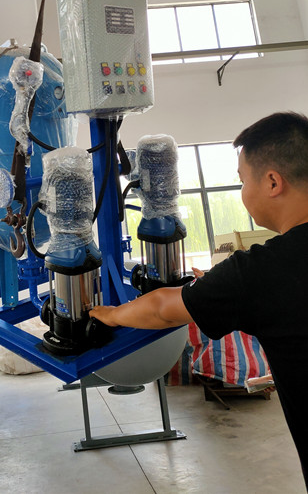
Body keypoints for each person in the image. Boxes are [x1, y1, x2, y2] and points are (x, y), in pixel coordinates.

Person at [90, 111, 308, 488]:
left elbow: (163, 309)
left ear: (273, 182)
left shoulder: (258, 273)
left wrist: (111, 314)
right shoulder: (254, 276)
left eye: (243, 181)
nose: (242, 192)